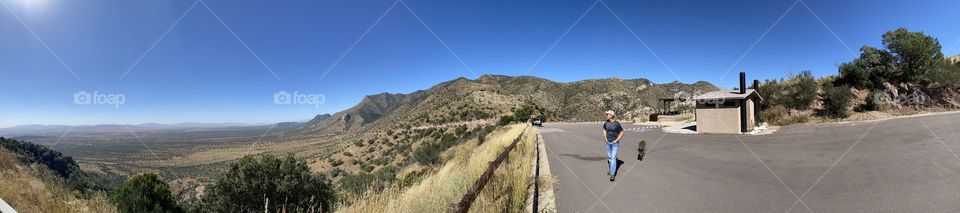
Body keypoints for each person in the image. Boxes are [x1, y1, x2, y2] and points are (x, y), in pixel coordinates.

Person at [602, 110, 624, 181]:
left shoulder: (617, 124)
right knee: (610, 157)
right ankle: (612, 169)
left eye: (607, 114)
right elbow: (604, 130)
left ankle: (612, 174)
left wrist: (617, 140)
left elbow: (622, 132)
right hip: (608, 143)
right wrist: (605, 138)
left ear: (611, 115)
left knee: (613, 158)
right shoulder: (606, 123)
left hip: (614, 143)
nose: (606, 116)